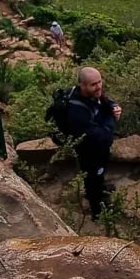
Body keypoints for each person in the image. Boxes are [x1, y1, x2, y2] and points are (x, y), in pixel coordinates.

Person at [50, 65, 120, 219]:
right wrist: (112, 118)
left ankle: (100, 188)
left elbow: (102, 98)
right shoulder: (77, 112)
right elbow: (102, 136)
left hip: (95, 144)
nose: (98, 86)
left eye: (100, 82)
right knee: (92, 175)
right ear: (82, 85)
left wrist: (113, 106)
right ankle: (97, 210)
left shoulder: (86, 93)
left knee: (99, 171)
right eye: (94, 84)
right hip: (87, 148)